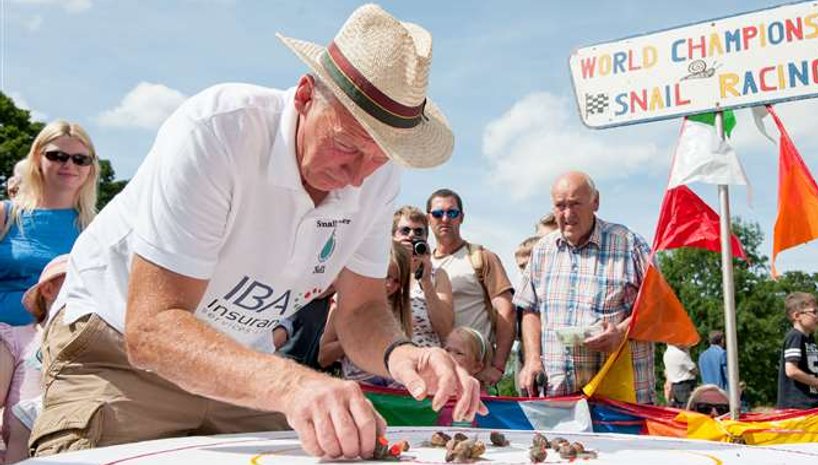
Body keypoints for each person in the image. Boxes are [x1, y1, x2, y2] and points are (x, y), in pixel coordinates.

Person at [31, 5, 484, 459]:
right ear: (305, 96)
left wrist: (400, 354)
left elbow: (362, 308)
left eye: (379, 157)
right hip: (117, 352)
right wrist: (293, 384)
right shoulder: (218, 131)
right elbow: (152, 326)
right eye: (345, 145)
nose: (358, 177)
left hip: (241, 366)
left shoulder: (377, 175)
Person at [515, 171, 656, 403]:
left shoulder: (630, 244)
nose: (567, 214)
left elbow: (659, 309)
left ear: (595, 201)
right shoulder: (542, 250)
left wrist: (621, 332)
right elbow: (530, 309)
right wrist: (532, 359)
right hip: (559, 396)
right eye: (560, 206)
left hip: (620, 397)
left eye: (575, 204)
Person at [1, 121, 99, 326]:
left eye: (81, 159)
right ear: (37, 158)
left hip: (61, 338)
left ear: (90, 168)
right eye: (58, 156)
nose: (69, 164)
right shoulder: (5, 214)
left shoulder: (98, 229)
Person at [428, 189, 515, 387]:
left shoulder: (481, 258)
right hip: (430, 374)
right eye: (437, 213)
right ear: (428, 219)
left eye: (452, 213)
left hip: (473, 375)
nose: (445, 219)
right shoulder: (422, 264)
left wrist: (498, 366)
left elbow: (506, 311)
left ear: (461, 217)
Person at [0, 254, 68, 463]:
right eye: (77, 282)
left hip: (68, 440)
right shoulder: (17, 338)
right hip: (21, 445)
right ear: (48, 290)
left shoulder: (92, 340)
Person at [319, 243, 415, 388]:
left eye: (396, 281)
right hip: (361, 389)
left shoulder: (402, 308)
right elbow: (323, 357)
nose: (390, 285)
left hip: (395, 392)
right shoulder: (344, 301)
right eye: (386, 276)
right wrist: (358, 336)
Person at [392, 205, 454, 345]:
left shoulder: (437, 275)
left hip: (426, 353)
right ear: (393, 236)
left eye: (419, 232)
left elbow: (446, 331)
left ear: (426, 239)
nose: (411, 235)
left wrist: (426, 281)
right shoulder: (379, 270)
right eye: (405, 231)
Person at [777, 292, 818, 409]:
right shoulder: (795, 336)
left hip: (814, 404)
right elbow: (791, 370)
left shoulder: (810, 339)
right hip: (798, 406)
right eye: (814, 312)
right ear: (797, 316)